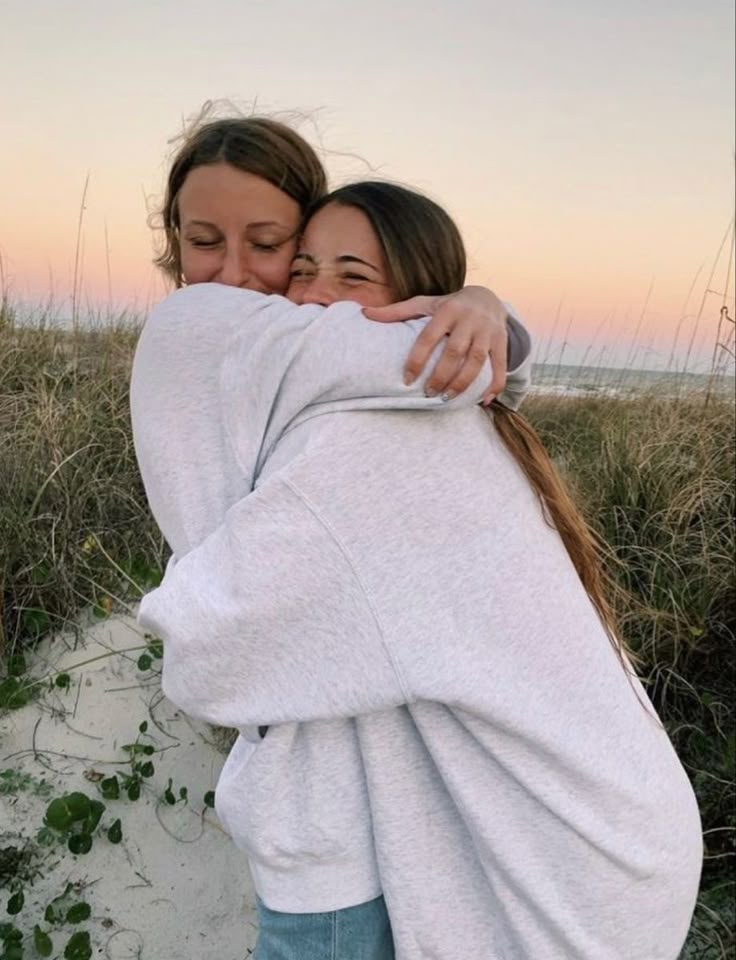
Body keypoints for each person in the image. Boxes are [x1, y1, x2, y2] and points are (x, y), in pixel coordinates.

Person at [131, 180, 703, 959]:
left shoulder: (372, 452)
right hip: (626, 831)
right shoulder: (453, 416)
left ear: (419, 305)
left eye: (352, 276)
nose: (313, 298)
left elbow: (209, 659)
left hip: (584, 870)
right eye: (301, 268)